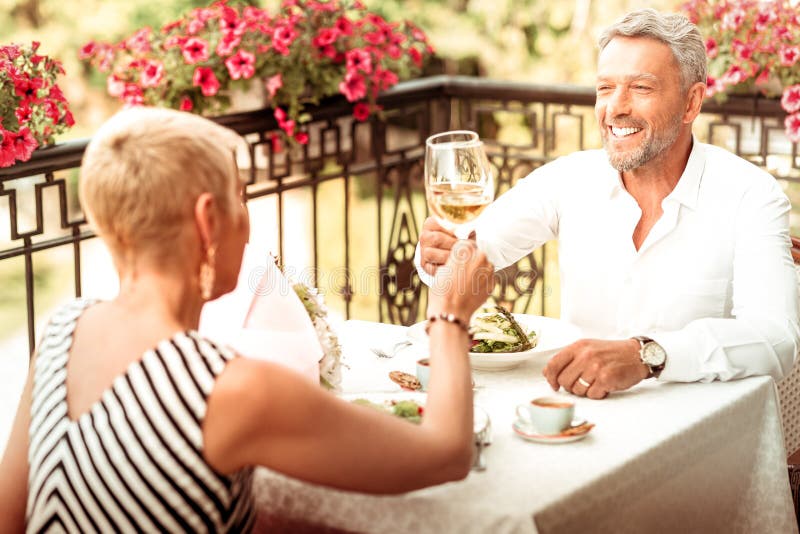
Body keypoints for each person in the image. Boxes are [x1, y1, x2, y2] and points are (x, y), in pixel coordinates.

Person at [0, 107, 494, 532]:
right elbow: (446, 455)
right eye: (241, 194)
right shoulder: (225, 389)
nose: (247, 212)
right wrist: (449, 314)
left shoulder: (62, 330)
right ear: (207, 218)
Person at [417, 8, 800, 400]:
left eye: (641, 88)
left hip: (700, 436)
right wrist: (437, 257)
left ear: (691, 103)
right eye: (605, 88)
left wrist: (647, 356)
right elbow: (470, 252)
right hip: (574, 420)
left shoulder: (752, 195)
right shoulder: (568, 179)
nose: (615, 108)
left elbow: (775, 338)